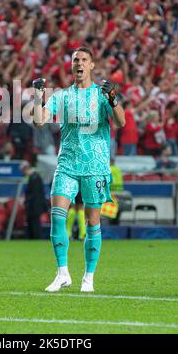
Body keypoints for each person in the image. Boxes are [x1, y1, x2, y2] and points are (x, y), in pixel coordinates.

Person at [33, 46, 125, 292]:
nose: (79, 63)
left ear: (92, 65)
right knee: (56, 215)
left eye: (84, 59)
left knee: (92, 221)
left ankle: (88, 278)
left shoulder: (103, 95)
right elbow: (39, 120)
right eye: (76, 60)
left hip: (95, 166)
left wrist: (114, 99)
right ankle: (62, 273)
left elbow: (120, 122)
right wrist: (37, 96)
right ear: (71, 65)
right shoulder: (62, 96)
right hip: (67, 164)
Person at [20, 160, 47, 240]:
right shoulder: (33, 177)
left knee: (35, 223)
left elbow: (34, 194)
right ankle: (32, 238)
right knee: (31, 222)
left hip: (35, 205)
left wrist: (25, 200)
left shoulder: (35, 178)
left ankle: (37, 238)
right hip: (32, 205)